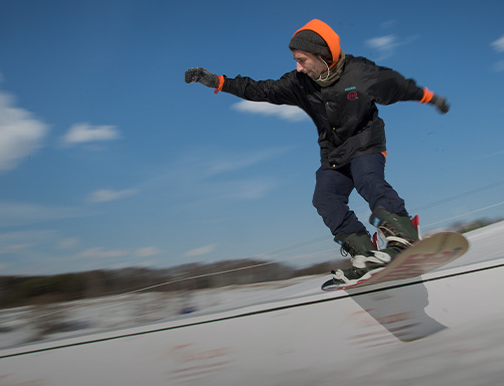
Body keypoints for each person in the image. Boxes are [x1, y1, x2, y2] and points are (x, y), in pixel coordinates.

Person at [185, 19, 450, 286]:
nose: (298, 67)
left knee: (367, 179)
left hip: (366, 144)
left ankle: (403, 233)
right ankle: (365, 253)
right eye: (295, 60)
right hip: (334, 154)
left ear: (323, 56)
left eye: (302, 60)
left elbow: (398, 85)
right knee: (324, 198)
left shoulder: (361, 72)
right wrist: (217, 81)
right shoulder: (300, 83)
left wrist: (430, 98)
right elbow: (261, 89)